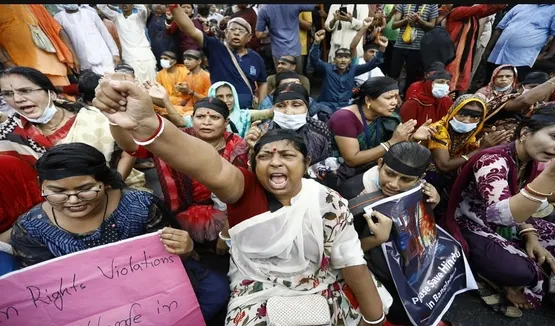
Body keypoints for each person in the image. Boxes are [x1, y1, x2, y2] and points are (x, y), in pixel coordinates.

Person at [93, 73, 394, 326]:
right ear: (252, 165)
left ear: (305, 165)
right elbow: (207, 164)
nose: (276, 162)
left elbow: (353, 264)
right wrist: (148, 125)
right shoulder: (243, 187)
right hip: (256, 290)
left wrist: (374, 320)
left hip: (317, 284)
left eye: (288, 155)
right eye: (265, 156)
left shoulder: (328, 201)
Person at [10, 142, 230, 321]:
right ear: (41, 185)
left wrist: (184, 248)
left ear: (105, 182)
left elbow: (170, 256)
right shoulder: (30, 228)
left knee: (217, 291)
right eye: (57, 192)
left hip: (156, 290)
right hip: (87, 307)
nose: (73, 200)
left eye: (85, 189)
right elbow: (44, 291)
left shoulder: (140, 205)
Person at [441, 103, 555, 316]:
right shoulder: (492, 160)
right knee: (519, 271)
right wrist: (554, 176)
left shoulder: (530, 160)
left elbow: (523, 203)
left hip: (515, 221)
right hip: (471, 223)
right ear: (525, 133)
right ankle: (492, 276)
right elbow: (503, 215)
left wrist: (530, 236)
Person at [109, 97, 248, 253]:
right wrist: (115, 120)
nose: (206, 122)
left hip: (228, 214)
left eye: (214, 117)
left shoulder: (237, 146)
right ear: (192, 119)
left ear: (226, 122)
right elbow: (132, 147)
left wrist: (225, 236)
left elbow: (243, 194)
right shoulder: (178, 138)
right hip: (181, 209)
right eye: (200, 117)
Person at [0, 66, 147, 189]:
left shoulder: (95, 117)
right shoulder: (10, 135)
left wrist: (114, 184)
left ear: (51, 93)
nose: (17, 99)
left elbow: (128, 152)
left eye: (25, 91)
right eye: (8, 94)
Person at [353, 141, 442, 325]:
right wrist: (377, 239)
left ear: (420, 178)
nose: (394, 184)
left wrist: (431, 204)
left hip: (406, 258)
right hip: (367, 263)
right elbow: (338, 252)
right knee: (404, 314)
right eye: (389, 174)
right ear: (379, 164)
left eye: (406, 180)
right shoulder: (353, 195)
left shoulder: (421, 188)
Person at [327, 76, 434, 198]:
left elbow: (395, 152)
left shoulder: (388, 117)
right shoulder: (344, 118)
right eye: (389, 98)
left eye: (396, 97)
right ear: (368, 100)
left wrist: (413, 139)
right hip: (342, 174)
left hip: (378, 172)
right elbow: (352, 160)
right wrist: (391, 142)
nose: (395, 102)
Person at [426, 94, 511, 217]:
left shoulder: (471, 137)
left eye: (474, 117)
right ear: (453, 111)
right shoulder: (438, 129)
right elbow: (443, 165)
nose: (467, 120)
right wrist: (482, 148)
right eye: (462, 114)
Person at [169, 5, 267, 110]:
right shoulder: (215, 48)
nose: (236, 33)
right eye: (233, 29)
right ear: (225, 33)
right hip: (219, 110)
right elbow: (191, 31)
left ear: (249, 37)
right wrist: (173, 6)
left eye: (241, 31)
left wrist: (261, 106)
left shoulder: (256, 58)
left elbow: (262, 82)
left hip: (247, 111)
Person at [476, 59, 555, 136]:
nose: (537, 92)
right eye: (532, 87)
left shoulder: (545, 108)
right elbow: (525, 100)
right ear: (520, 87)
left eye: (541, 88)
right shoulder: (505, 100)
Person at [245, 83, 332, 165]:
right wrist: (254, 150)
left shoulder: (320, 131)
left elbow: (326, 168)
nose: (289, 112)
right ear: (273, 108)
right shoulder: (261, 133)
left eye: (296, 105)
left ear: (307, 108)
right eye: (280, 106)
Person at [484, 5, 555, 82]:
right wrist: (488, 49)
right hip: (496, 56)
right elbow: (499, 29)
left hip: (521, 61)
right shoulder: (522, 5)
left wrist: (548, 55)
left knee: (510, 90)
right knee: (488, 85)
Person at [310, 30, 388, 114]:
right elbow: (314, 60)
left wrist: (382, 48)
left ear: (350, 60)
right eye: (340, 57)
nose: (343, 60)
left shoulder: (353, 69)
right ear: (334, 59)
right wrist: (317, 42)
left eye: (346, 57)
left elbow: (371, 65)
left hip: (345, 107)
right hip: (325, 106)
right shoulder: (327, 68)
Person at [0, 4, 77, 87]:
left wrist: (73, 55)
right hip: (21, 66)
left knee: (63, 95)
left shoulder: (33, 5)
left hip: (51, 61)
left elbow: (56, 28)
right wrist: (6, 62)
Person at [439, 4, 506, 93]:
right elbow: (482, 8)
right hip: (453, 55)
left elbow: (493, 8)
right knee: (449, 83)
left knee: (461, 81)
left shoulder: (472, 16)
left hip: (465, 55)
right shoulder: (457, 11)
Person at [96, 4, 157, 83]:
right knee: (135, 83)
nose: (124, 4)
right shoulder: (116, 17)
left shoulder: (139, 17)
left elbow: (142, 8)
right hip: (130, 57)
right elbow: (101, 6)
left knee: (152, 82)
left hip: (146, 55)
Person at [54, 4, 121, 75]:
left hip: (105, 57)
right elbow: (64, 42)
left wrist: (115, 53)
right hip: (84, 62)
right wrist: (74, 59)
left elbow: (105, 34)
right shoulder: (58, 18)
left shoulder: (90, 13)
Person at [390, 4, 439, 96]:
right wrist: (406, 20)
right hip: (400, 45)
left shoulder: (432, 5)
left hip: (418, 47)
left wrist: (419, 20)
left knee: (412, 77)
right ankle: (390, 95)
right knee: (393, 73)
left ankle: (407, 98)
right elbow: (394, 25)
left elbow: (432, 26)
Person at [255, 4, 314, 73]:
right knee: (297, 80)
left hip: (278, 52)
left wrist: (270, 32)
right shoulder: (294, 5)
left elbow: (259, 34)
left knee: (282, 80)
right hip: (294, 51)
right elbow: (312, 6)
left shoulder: (264, 9)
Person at [207, 81, 272, 138]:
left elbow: (269, 113)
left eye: (229, 96)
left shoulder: (244, 116)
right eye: (220, 96)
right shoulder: (206, 119)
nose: (225, 100)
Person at [155, 50, 189, 115]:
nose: (162, 60)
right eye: (161, 58)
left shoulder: (185, 71)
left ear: (174, 61)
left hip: (184, 99)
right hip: (168, 100)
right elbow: (159, 91)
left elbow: (189, 91)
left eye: (165, 59)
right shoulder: (160, 74)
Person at [147, 4, 178, 69]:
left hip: (169, 50)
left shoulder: (173, 17)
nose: (158, 5)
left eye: (161, 3)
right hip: (151, 52)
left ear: (166, 6)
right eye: (156, 3)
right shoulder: (147, 17)